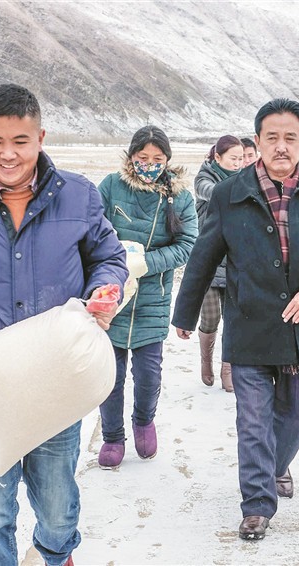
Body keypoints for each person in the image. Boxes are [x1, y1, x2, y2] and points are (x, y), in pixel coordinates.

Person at [0, 84, 128, 566]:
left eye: (20, 140)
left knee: (57, 509)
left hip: (56, 377)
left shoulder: (79, 195)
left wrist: (105, 289)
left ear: (41, 137)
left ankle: (56, 555)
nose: (8, 154)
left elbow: (108, 257)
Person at [172, 98, 299, 540]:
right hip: (250, 324)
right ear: (257, 141)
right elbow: (204, 256)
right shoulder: (229, 193)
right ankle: (256, 504)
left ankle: (274, 465)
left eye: (290, 138)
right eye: (271, 137)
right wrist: (186, 312)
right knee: (253, 420)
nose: (281, 146)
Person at [95, 125, 198, 470]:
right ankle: (112, 436)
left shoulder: (180, 197)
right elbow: (91, 229)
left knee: (148, 374)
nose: (150, 165)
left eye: (157, 159)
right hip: (111, 296)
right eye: (143, 157)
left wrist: (146, 263)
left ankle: (144, 421)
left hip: (153, 296)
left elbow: (187, 244)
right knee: (110, 375)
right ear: (131, 157)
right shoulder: (111, 186)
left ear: (167, 160)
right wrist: (115, 261)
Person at [193, 135, 245, 392]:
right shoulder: (204, 178)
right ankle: (206, 360)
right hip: (210, 264)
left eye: (241, 159)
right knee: (211, 317)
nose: (238, 163)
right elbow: (212, 193)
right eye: (233, 158)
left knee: (233, 320)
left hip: (235, 262)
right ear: (218, 157)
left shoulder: (244, 179)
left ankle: (228, 369)